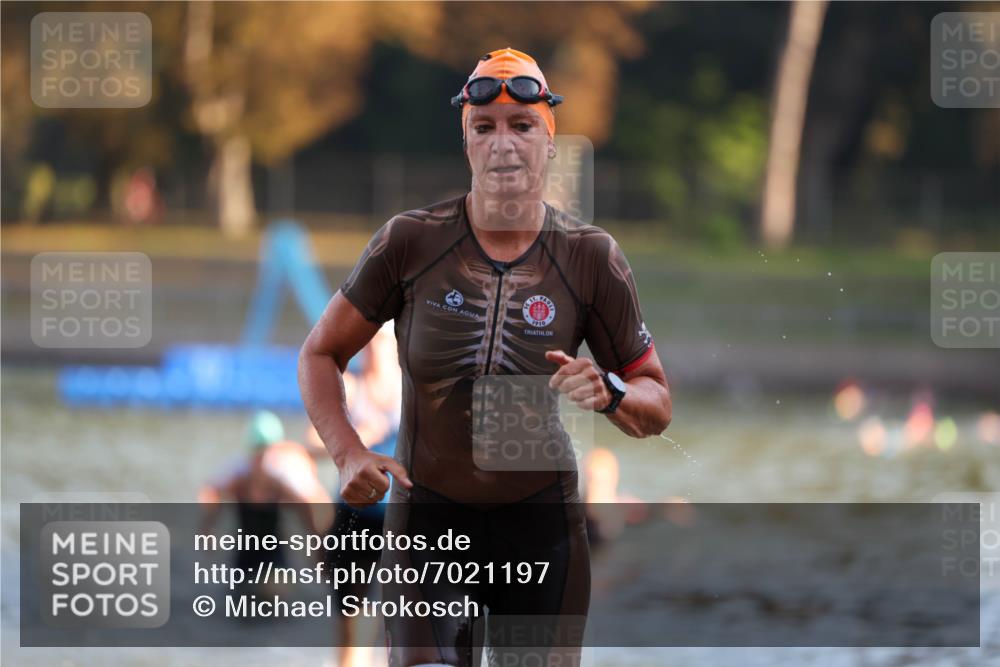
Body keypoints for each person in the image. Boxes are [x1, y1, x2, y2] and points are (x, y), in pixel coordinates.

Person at [299, 47, 672, 667]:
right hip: (428, 521)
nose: (504, 144)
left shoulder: (589, 257)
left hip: (539, 524)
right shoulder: (410, 242)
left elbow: (656, 401)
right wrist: (347, 453)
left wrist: (610, 391)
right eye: (485, 128)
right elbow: (320, 352)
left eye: (522, 126)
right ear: (466, 143)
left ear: (550, 142)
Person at [198, 410, 332, 597]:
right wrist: (208, 529)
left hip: (274, 553)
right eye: (258, 452)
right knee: (243, 595)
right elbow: (210, 492)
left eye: (265, 451)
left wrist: (319, 546)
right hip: (246, 552)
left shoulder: (284, 473)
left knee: (272, 591)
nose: (261, 459)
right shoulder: (238, 470)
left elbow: (314, 503)